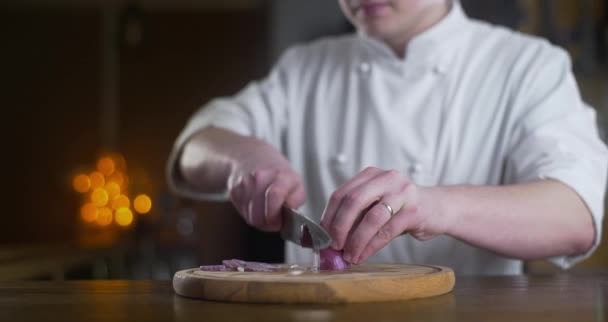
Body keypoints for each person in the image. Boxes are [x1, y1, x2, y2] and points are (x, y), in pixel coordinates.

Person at [166, 0, 608, 275]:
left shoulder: (527, 66)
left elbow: (575, 215)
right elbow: (195, 148)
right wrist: (243, 157)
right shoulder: (305, 68)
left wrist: (434, 206)